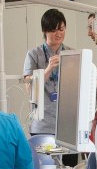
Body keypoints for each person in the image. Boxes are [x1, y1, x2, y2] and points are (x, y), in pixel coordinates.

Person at [22, 8, 71, 136]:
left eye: (61, 29)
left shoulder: (72, 54)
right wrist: (48, 69)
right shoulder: (33, 54)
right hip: (42, 124)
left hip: (67, 123)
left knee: (68, 156)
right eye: (53, 30)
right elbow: (29, 88)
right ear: (44, 31)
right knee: (43, 156)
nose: (59, 34)